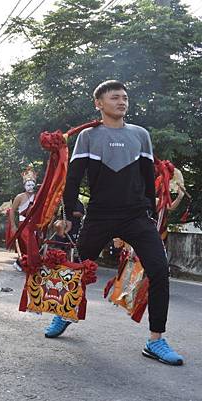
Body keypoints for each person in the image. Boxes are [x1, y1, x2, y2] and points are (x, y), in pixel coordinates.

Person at [46, 80, 183, 366]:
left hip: (136, 216)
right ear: (99, 103)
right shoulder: (88, 137)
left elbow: (148, 176)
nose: (122, 102)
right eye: (114, 97)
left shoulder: (140, 135)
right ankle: (65, 313)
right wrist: (70, 212)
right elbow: (73, 178)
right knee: (78, 270)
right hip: (99, 215)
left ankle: (155, 340)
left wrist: (150, 210)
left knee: (159, 270)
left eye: (125, 97)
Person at [9, 167, 37, 271]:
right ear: (24, 185)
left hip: (34, 224)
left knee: (33, 246)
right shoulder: (19, 197)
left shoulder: (37, 196)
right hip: (23, 224)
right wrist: (13, 225)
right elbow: (12, 211)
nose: (30, 186)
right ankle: (23, 263)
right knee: (28, 244)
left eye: (32, 184)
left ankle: (20, 262)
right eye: (28, 184)